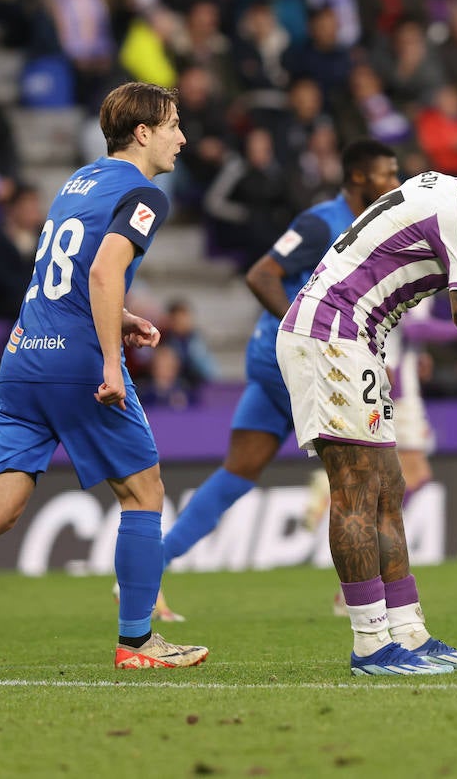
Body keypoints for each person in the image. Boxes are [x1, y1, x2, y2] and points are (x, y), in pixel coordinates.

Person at [0, 81, 206, 675]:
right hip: (77, 363)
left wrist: (121, 319)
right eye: (174, 124)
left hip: (25, 355)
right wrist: (110, 359)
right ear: (143, 132)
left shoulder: (77, 182)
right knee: (143, 491)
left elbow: (66, 276)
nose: (182, 137)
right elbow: (105, 272)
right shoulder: (144, 193)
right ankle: (137, 642)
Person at [275, 172, 457, 675]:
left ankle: (410, 632)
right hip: (332, 334)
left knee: (388, 488)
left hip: (356, 338)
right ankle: (370, 644)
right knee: (355, 490)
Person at [160, 140, 401, 576]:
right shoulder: (320, 224)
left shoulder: (375, 229)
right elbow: (261, 273)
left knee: (237, 472)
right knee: (365, 473)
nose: (395, 183)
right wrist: (303, 326)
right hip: (298, 362)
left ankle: (149, 566)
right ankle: (374, 601)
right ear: (359, 177)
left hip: (286, 361)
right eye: (387, 174)